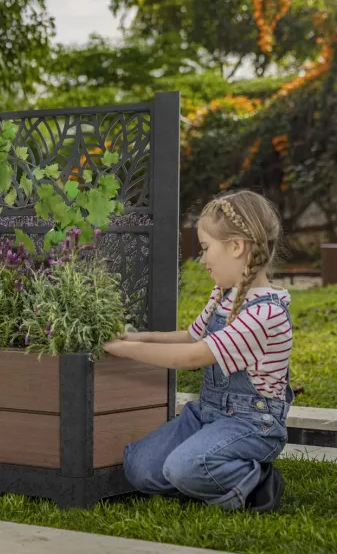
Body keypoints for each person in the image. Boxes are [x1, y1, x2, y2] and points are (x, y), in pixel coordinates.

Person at [103, 190, 294, 513]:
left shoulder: (266, 313)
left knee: (183, 467)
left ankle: (255, 481)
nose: (203, 261)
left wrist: (125, 349)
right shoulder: (224, 294)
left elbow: (193, 356)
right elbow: (190, 338)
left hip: (251, 425)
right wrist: (136, 336)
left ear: (237, 247)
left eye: (206, 249)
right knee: (139, 467)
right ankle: (203, 473)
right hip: (208, 412)